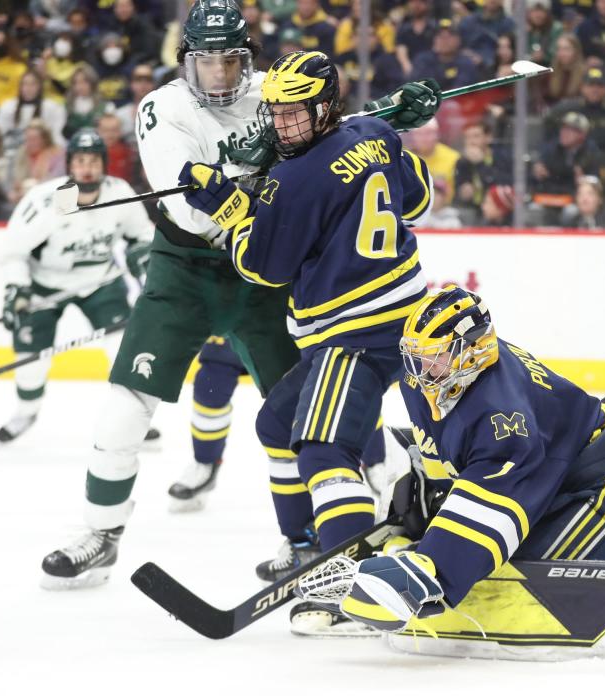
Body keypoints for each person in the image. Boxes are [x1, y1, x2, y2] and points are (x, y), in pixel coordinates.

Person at [38, 2, 439, 589]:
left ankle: (305, 538)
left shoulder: (270, 91)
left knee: (298, 414)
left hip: (265, 268)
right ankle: (102, 533)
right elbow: (191, 212)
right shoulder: (162, 109)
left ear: (246, 58)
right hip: (188, 268)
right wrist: (249, 171)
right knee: (127, 404)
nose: (222, 77)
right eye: (208, 64)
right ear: (185, 62)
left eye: (232, 63)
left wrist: (380, 118)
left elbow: (323, 136)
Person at [307, 286, 605, 663]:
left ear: (471, 351)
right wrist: (418, 505)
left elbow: (492, 503)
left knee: (513, 583)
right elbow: (443, 451)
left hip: (604, 490)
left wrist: (428, 566)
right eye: (416, 358)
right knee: (483, 571)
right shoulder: (427, 381)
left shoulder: (503, 415)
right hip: (548, 476)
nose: (421, 372)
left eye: (434, 360)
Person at [178, 50, 437, 626]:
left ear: (325, 106)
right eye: (276, 111)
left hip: (355, 332)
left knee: (323, 449)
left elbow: (263, 267)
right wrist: (385, 127)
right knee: (275, 422)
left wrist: (229, 204)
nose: (284, 124)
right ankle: (301, 544)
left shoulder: (292, 179)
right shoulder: (374, 132)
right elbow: (419, 200)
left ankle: (348, 579)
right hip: (401, 315)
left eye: (297, 112)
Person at [0, 129, 155, 443]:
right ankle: (26, 411)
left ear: (104, 165)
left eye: (94, 161)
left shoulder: (118, 193)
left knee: (124, 350)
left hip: (100, 282)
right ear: (70, 165)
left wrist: (142, 253)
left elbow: (143, 234)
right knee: (30, 361)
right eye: (80, 161)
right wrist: (17, 288)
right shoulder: (49, 200)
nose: (87, 168)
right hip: (46, 284)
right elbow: (12, 250)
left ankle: (133, 419)